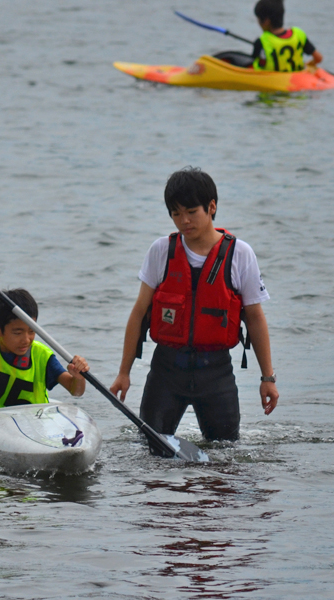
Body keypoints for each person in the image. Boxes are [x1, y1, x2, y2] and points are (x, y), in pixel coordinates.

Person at [109, 168, 278, 448]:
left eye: (191, 211)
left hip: (216, 373)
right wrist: (124, 373)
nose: (184, 221)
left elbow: (256, 319)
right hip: (166, 372)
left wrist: (267, 378)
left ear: (211, 207)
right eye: (175, 213)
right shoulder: (161, 251)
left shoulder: (240, 254)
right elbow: (139, 312)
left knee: (226, 460)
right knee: (150, 455)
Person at [0, 273, 89, 414]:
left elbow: (75, 391)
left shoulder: (42, 356)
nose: (26, 340)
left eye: (31, 331)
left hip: (30, 431)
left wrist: (78, 376)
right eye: (17, 333)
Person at [252, 0, 323, 72]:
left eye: (258, 19)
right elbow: (319, 58)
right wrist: (305, 66)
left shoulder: (260, 42)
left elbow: (253, 65)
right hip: (297, 78)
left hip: (270, 81)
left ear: (266, 21)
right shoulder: (298, 34)